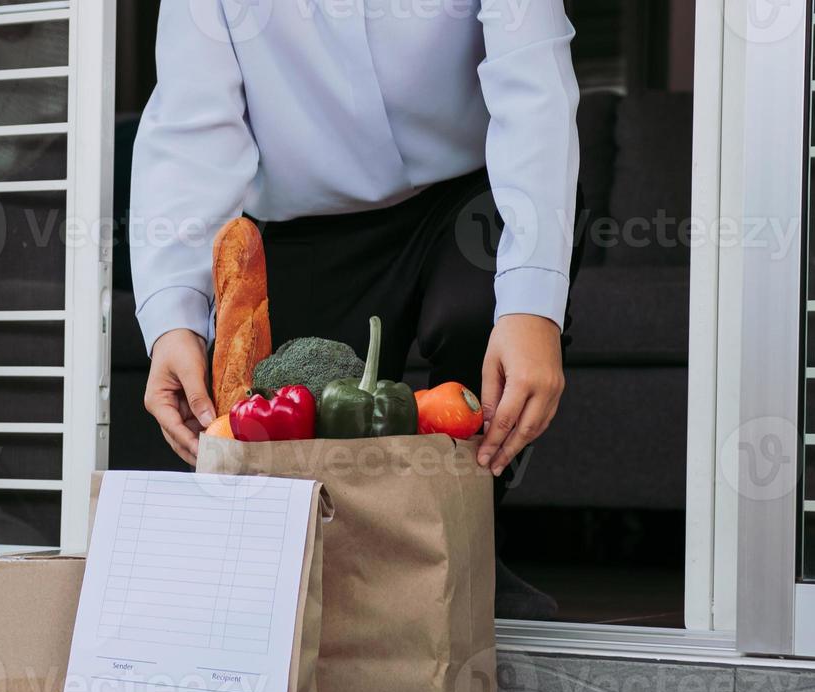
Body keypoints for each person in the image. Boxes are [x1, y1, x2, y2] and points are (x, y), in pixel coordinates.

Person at [132, 0, 583, 618]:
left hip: (465, 197)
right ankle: (354, 596)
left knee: (481, 315)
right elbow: (188, 132)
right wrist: (173, 322)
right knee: (297, 417)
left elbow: (535, 88)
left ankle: (473, 550)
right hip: (304, 227)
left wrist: (533, 305)